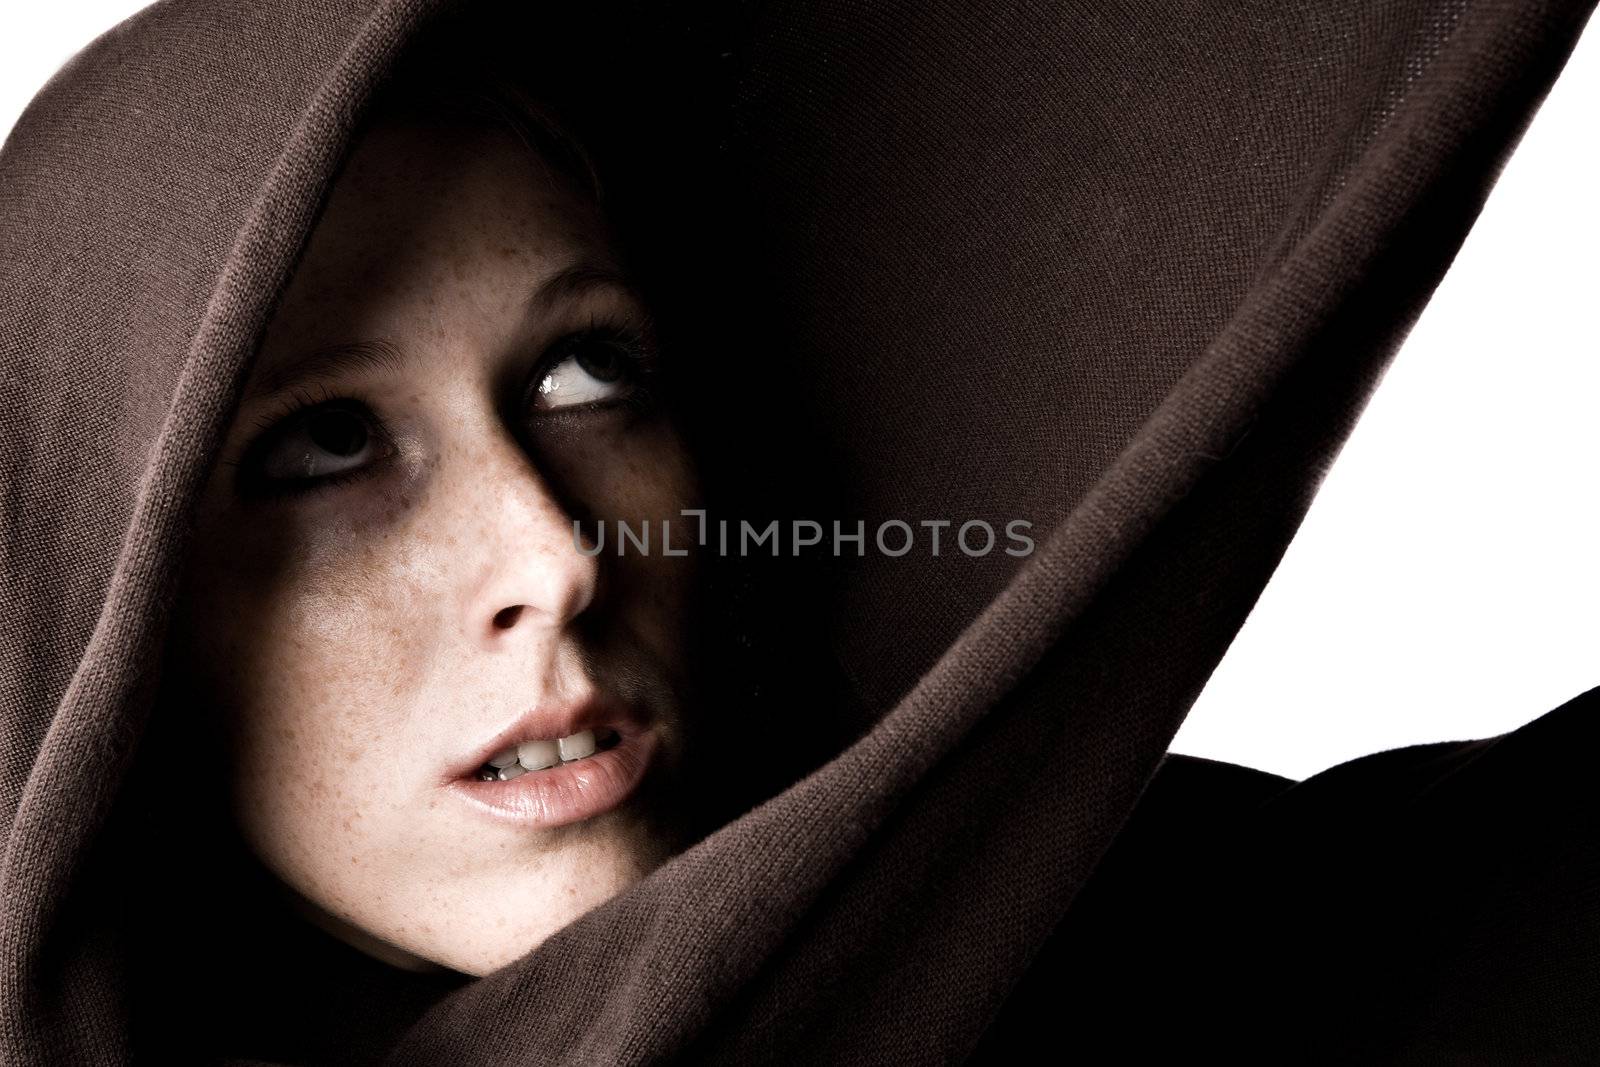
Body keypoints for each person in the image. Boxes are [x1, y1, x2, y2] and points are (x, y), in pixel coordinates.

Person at [3, 1, 1598, 1064]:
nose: (555, 561)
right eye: (328, 444)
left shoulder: (1218, 965)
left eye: (586, 371)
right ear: (93, 592)